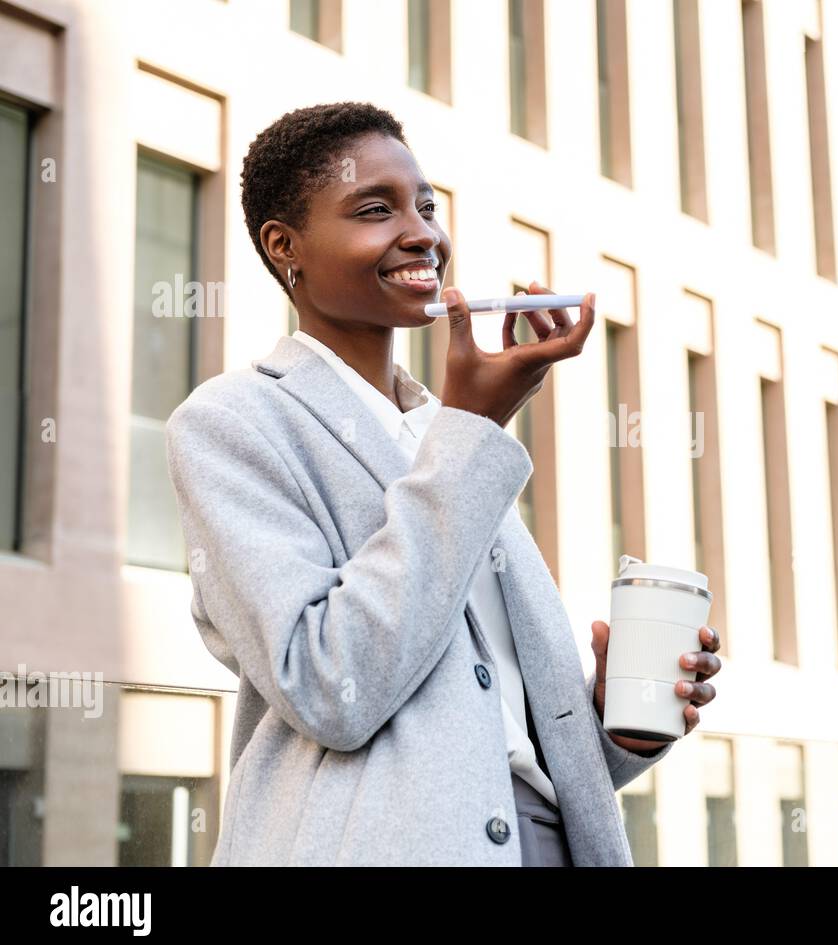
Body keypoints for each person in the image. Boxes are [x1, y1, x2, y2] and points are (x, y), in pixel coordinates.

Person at [165, 102, 722, 865]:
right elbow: (330, 684)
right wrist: (473, 431)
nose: (423, 232)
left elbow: (497, 740)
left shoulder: (447, 432)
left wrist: (611, 729)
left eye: (426, 206)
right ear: (284, 245)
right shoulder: (234, 422)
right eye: (375, 209)